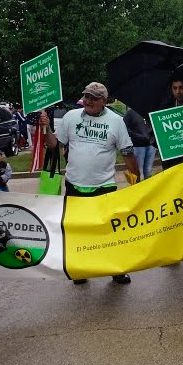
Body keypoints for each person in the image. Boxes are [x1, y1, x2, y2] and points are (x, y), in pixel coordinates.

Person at [39, 82, 139, 285]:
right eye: (86, 96)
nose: (89, 101)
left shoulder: (116, 121)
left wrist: (136, 181)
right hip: (75, 184)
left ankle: (116, 270)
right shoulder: (71, 117)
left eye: (94, 98)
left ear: (104, 101)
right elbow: (54, 145)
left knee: (109, 230)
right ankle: (80, 270)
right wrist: (46, 127)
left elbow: (127, 152)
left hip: (105, 186)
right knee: (78, 230)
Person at [161, 75, 183, 171]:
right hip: (173, 164)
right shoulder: (164, 110)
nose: (178, 92)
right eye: (174, 88)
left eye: (181, 87)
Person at [123, 105, 156, 180]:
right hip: (138, 146)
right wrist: (137, 136)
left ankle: (148, 186)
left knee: (148, 170)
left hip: (151, 145)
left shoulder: (149, 111)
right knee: (138, 171)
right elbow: (124, 128)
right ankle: (138, 185)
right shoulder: (130, 113)